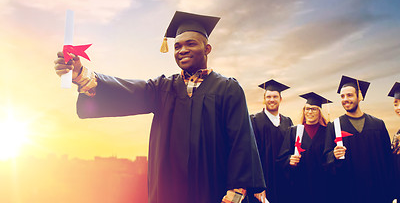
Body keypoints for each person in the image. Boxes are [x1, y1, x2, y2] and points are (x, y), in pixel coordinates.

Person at [54, 11, 265, 203]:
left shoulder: (228, 89)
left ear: (207, 48)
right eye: (177, 46)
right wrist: (82, 75)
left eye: (191, 44)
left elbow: (242, 142)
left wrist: (236, 192)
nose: (182, 50)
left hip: (214, 191)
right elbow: (128, 90)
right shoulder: (163, 88)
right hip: (171, 192)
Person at [323, 75, 393, 203]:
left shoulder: (378, 125)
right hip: (349, 191)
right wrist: (334, 155)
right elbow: (326, 156)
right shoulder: (335, 126)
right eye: (342, 96)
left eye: (349, 95)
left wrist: (390, 190)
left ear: (359, 97)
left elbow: (388, 159)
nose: (345, 99)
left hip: (377, 191)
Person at [277, 92, 332, 203]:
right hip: (300, 184)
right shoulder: (293, 131)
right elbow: (282, 158)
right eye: (307, 109)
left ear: (319, 112)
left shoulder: (327, 132)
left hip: (323, 184)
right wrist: (289, 160)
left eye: (314, 109)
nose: (309, 112)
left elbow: (330, 157)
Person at [249, 80, 293, 203]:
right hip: (263, 183)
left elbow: (292, 150)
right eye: (268, 97)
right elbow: (250, 155)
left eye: (275, 97)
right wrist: (257, 186)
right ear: (264, 99)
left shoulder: (287, 122)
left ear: (280, 99)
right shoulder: (254, 120)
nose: (271, 100)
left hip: (284, 181)